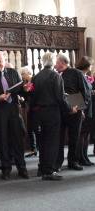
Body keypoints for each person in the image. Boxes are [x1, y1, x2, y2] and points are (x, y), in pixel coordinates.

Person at [29, 52, 77, 180]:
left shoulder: (36, 77)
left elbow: (32, 99)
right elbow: (60, 98)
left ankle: (42, 169)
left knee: (42, 142)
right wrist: (70, 109)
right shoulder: (56, 77)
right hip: (52, 113)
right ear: (53, 61)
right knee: (52, 142)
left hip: (39, 114)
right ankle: (49, 171)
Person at [0, 50, 28, 180]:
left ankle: (22, 168)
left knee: (17, 140)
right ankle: (6, 169)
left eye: (0, 61)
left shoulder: (13, 73)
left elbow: (20, 89)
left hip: (14, 110)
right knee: (2, 141)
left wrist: (25, 90)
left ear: (5, 60)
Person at [55, 54, 90, 171]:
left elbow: (85, 91)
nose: (55, 65)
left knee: (74, 137)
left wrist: (80, 108)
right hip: (60, 110)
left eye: (56, 62)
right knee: (59, 138)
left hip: (75, 109)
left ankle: (73, 161)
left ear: (62, 63)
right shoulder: (56, 75)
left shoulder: (77, 73)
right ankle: (58, 163)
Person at [76, 56, 94, 166]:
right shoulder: (79, 75)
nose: (92, 67)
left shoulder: (85, 76)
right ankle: (80, 157)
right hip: (83, 108)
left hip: (89, 107)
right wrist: (80, 109)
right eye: (91, 65)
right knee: (82, 134)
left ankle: (85, 156)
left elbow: (87, 91)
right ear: (87, 66)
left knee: (86, 133)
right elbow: (78, 92)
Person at [20, 67, 40, 157]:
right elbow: (25, 96)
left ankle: (39, 148)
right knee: (30, 129)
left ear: (28, 73)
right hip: (30, 109)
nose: (22, 76)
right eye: (21, 75)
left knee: (37, 130)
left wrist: (28, 91)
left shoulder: (35, 81)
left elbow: (36, 95)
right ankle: (33, 149)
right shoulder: (24, 84)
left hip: (37, 109)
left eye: (23, 74)